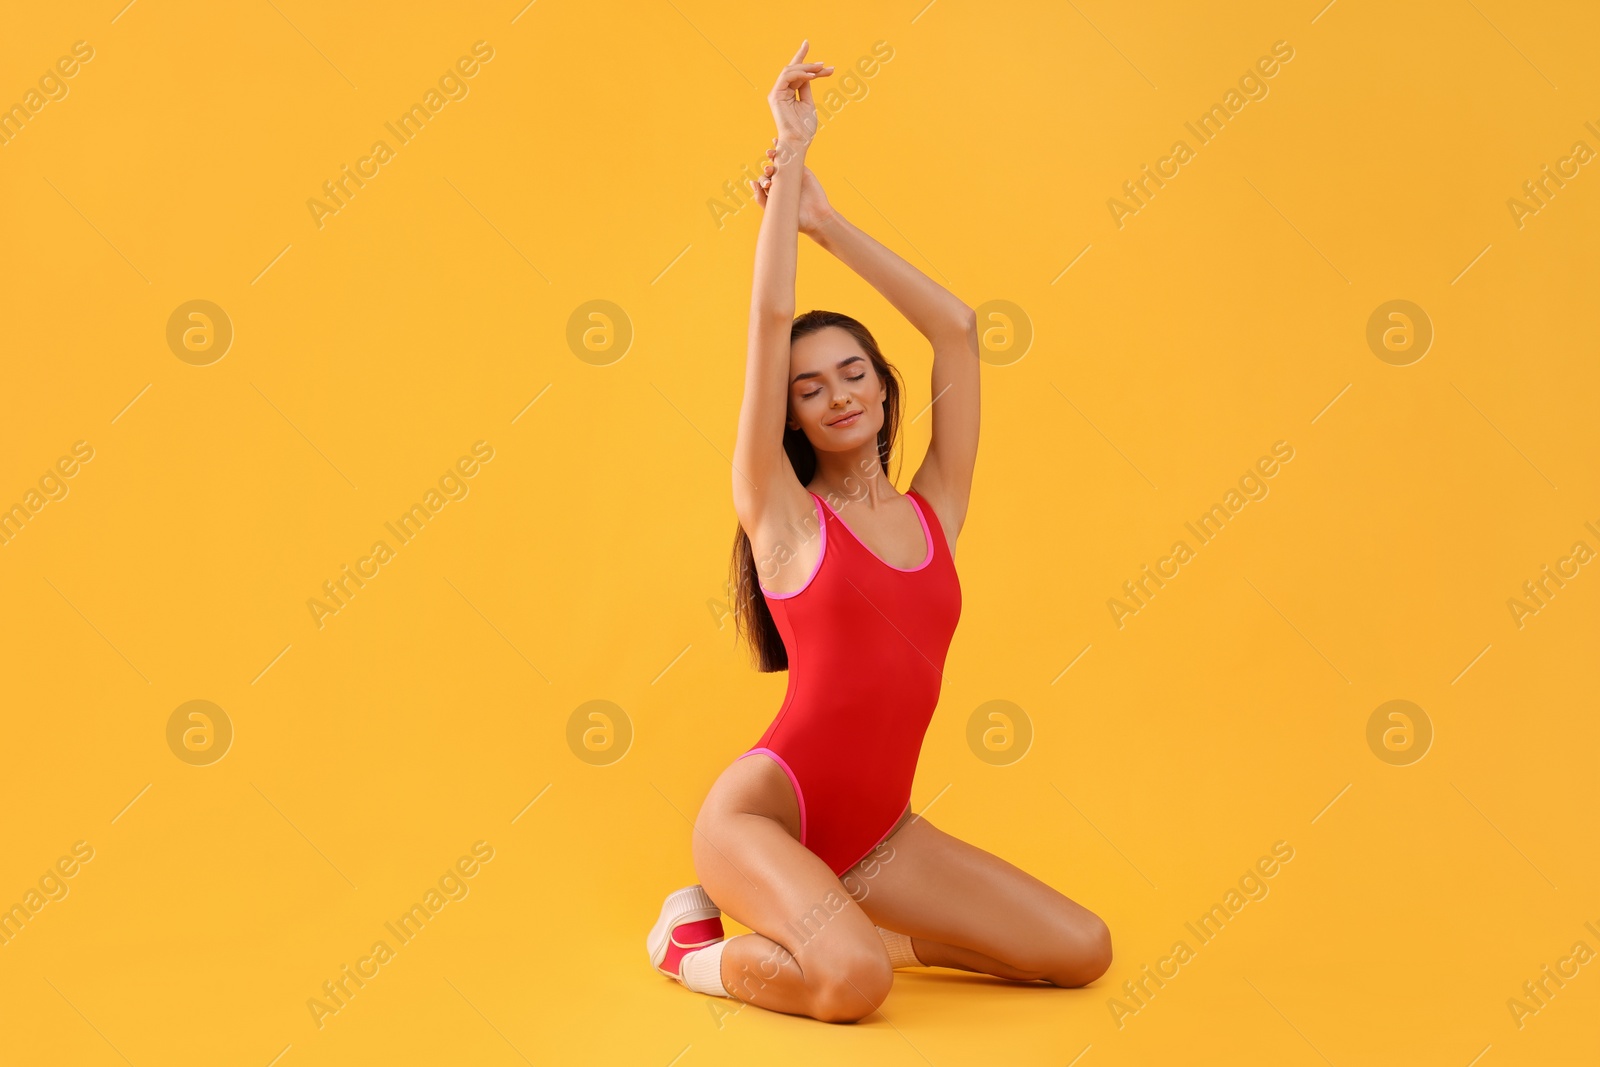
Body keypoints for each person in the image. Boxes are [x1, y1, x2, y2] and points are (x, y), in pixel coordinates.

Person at [646, 40, 1112, 1023]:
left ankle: (852, 920)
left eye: (852, 370)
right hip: (762, 819)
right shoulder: (780, 512)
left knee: (1080, 949)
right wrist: (790, 158)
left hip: (877, 838)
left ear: (880, 384)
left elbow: (957, 328)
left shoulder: (932, 509)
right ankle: (688, 947)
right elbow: (767, 319)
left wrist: (828, 225)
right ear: (790, 415)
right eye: (808, 387)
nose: (835, 393)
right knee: (853, 986)